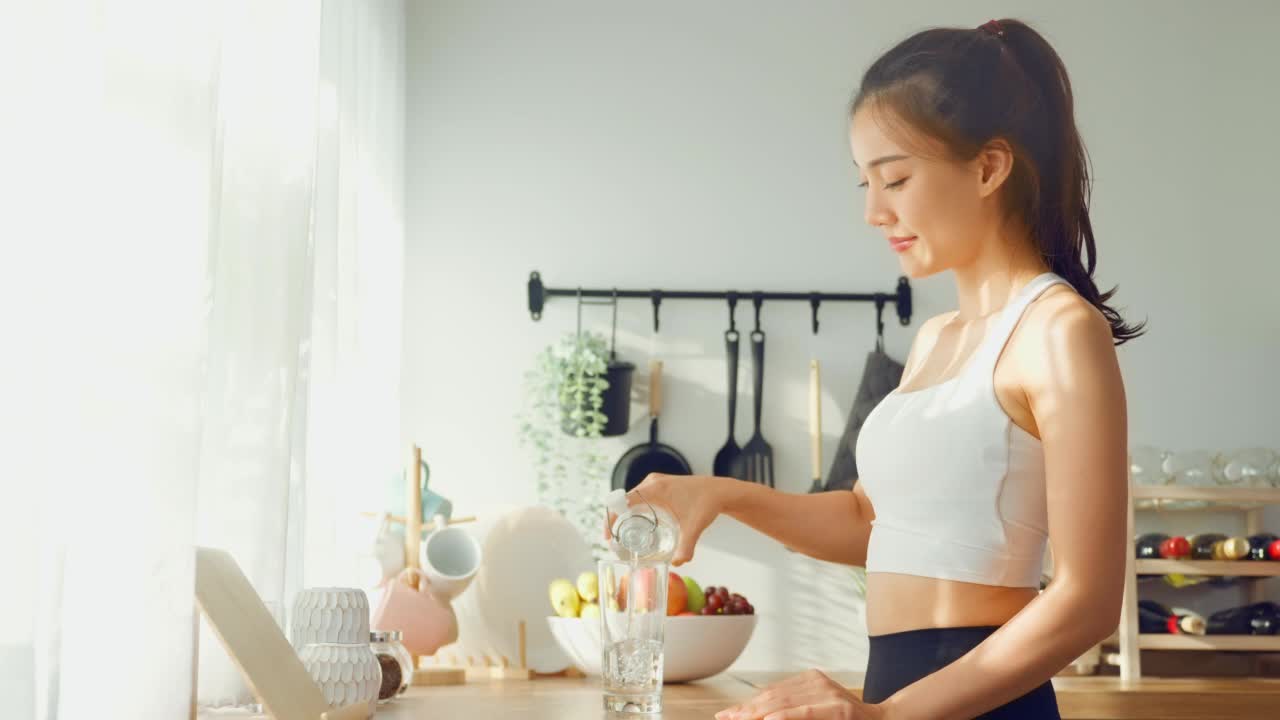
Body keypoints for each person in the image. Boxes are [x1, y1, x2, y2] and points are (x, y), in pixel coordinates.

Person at [608, 18, 1143, 720]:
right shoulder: (934, 339)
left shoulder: (1060, 332)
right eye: (864, 182)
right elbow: (869, 520)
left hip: (979, 704)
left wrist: (888, 716)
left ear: (988, 167)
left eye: (894, 178)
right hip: (897, 694)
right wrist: (720, 494)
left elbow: (1087, 601)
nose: (872, 210)